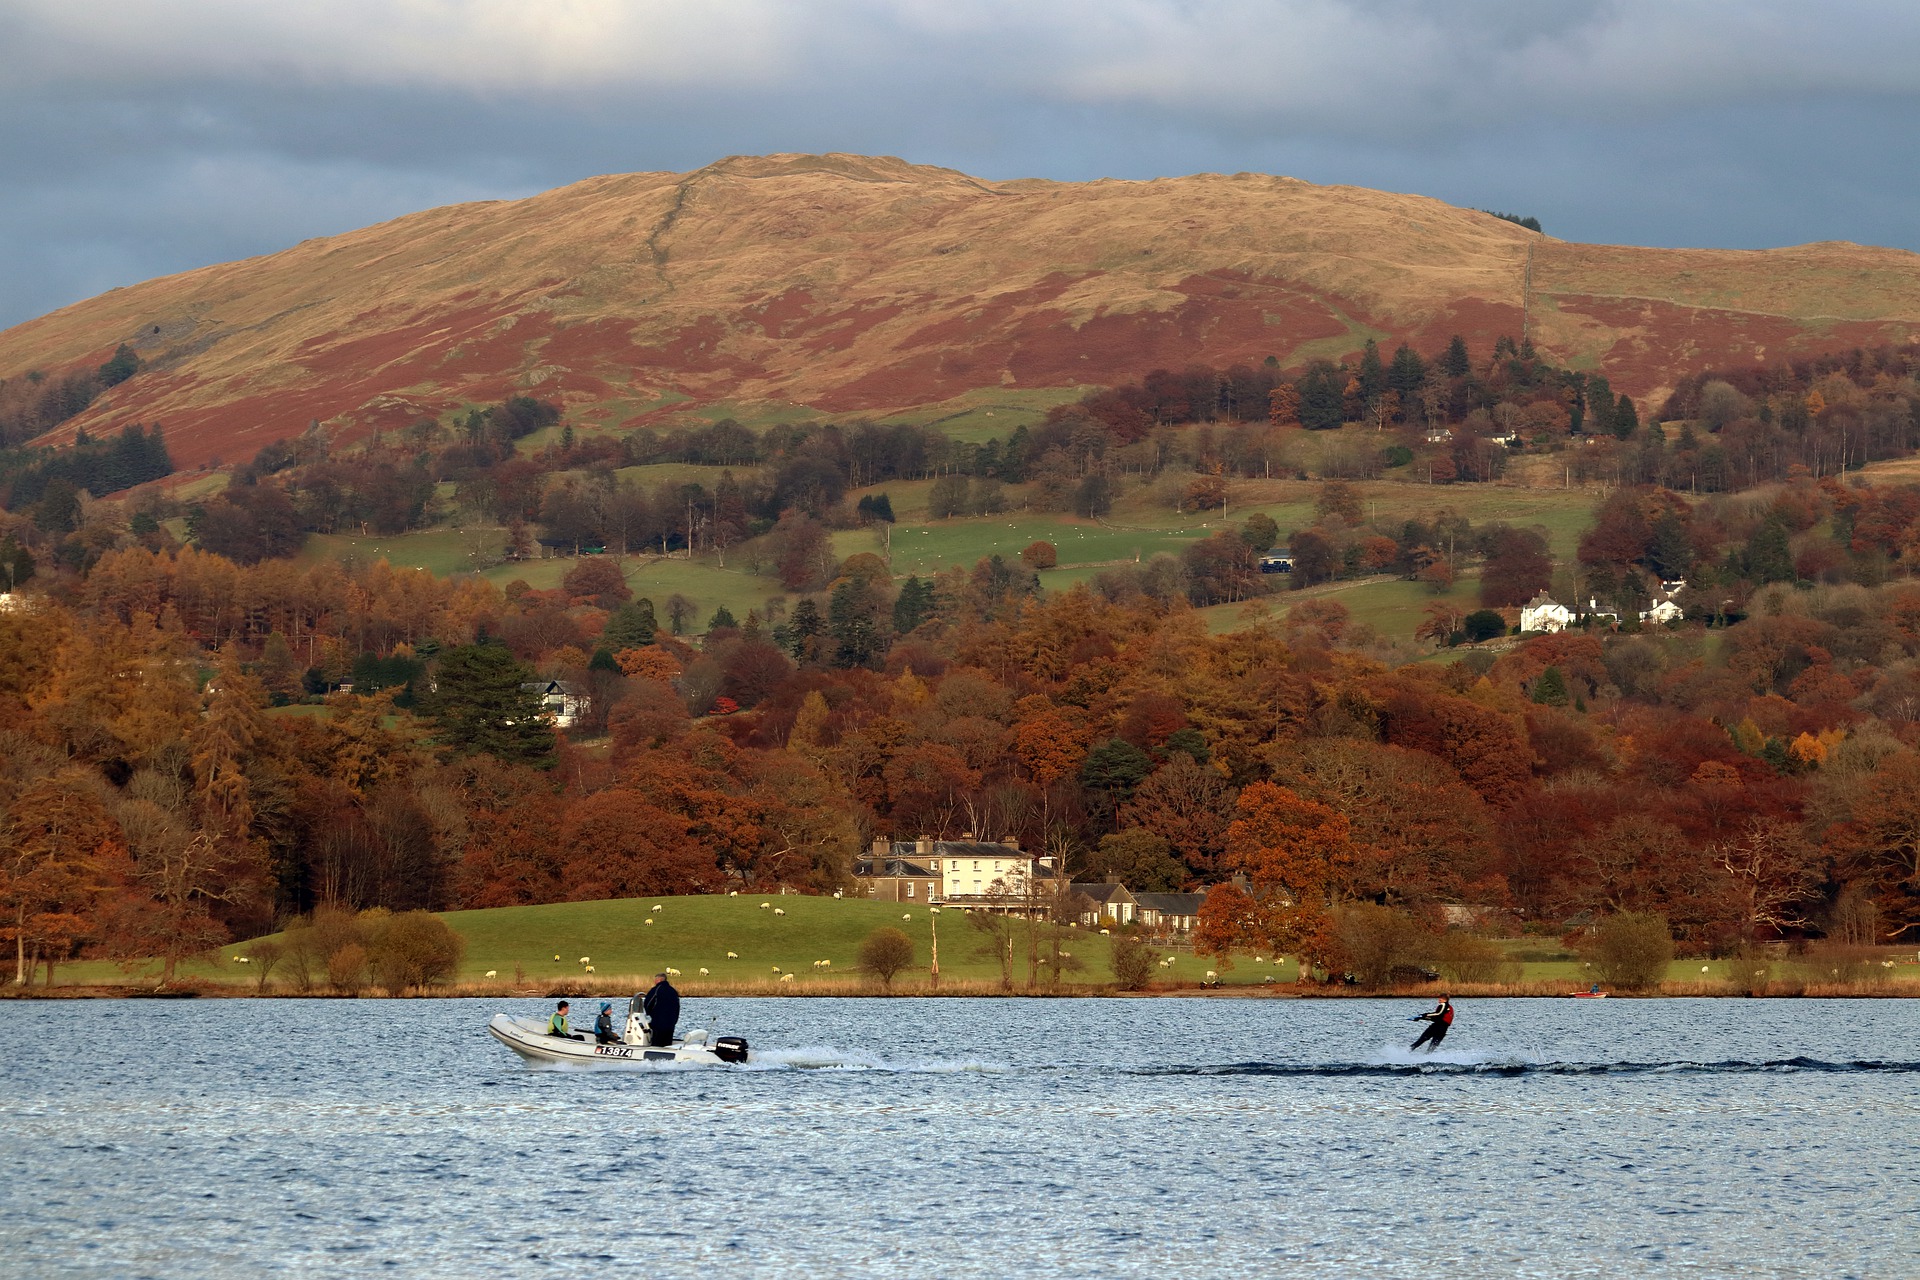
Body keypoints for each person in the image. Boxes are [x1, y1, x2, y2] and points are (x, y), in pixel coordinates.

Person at [642, 972, 680, 1046]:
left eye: (655, 979)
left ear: (658, 980)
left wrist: (649, 1014)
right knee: (667, 1043)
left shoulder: (656, 990)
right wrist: (674, 1020)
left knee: (657, 1042)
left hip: (658, 1021)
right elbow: (677, 1007)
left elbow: (648, 1003)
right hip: (671, 1022)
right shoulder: (673, 991)